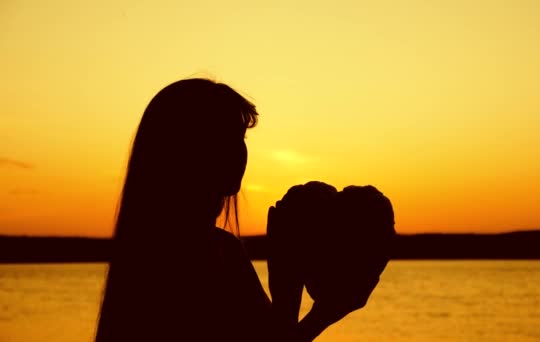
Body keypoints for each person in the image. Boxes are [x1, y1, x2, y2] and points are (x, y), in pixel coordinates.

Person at [95, 78, 377, 341]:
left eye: (240, 138)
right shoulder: (171, 255)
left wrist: (325, 312)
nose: (237, 152)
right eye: (221, 138)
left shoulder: (219, 248)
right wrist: (288, 284)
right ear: (185, 151)